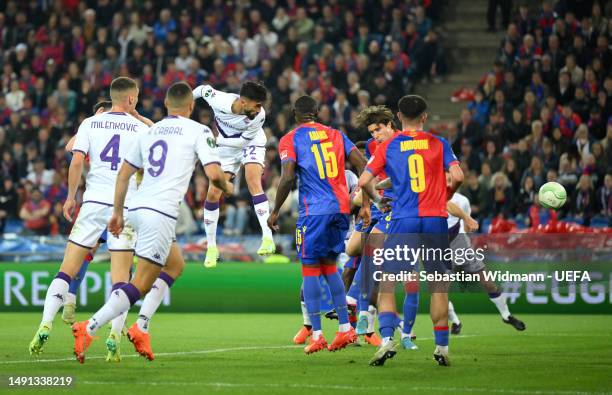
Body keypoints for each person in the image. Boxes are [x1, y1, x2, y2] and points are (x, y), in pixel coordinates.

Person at [71, 81, 231, 363]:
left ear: (167, 105)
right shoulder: (199, 130)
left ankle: (141, 326)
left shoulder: (151, 130)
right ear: (191, 107)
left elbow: (123, 174)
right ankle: (89, 327)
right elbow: (215, 174)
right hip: (161, 213)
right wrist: (228, 187)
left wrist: (118, 213)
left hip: (136, 207)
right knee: (140, 284)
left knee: (175, 264)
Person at [29, 78, 149, 358]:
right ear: (131, 99)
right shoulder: (143, 128)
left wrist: (71, 197)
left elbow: (76, 158)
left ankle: (46, 322)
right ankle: (114, 337)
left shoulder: (90, 123)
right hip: (125, 207)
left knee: (65, 269)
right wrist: (140, 118)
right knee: (122, 279)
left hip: (93, 203)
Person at [359, 95, 463, 367]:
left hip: (403, 220)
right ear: (425, 117)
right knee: (439, 286)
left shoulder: (388, 145)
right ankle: (441, 347)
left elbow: (364, 181)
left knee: (387, 283)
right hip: (434, 220)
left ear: (398, 118)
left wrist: (380, 200)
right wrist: (445, 194)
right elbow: (459, 176)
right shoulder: (439, 143)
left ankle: (386, 339)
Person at [268, 95, 368, 354]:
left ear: (294, 113)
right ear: (316, 112)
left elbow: (288, 177)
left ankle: (318, 334)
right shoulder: (336, 134)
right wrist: (365, 203)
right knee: (330, 267)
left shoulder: (290, 139)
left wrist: (275, 210)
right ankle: (345, 330)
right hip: (340, 210)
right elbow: (363, 165)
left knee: (310, 270)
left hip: (313, 212)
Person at [193, 81, 275, 268]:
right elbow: (202, 90)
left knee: (253, 181)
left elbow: (241, 143)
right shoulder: (219, 100)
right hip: (226, 147)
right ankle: (212, 248)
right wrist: (184, 103)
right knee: (213, 193)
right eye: (257, 105)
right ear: (243, 102)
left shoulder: (259, 116)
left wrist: (215, 141)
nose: (259, 109)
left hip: (249, 142)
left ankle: (267, 237)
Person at [445, 175, 526, 334]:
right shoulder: (432, 198)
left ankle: (506, 314)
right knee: (441, 292)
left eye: (450, 180)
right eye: (446, 180)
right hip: (440, 245)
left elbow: (467, 223)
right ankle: (455, 321)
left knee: (486, 280)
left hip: (459, 241)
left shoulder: (462, 200)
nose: (449, 183)